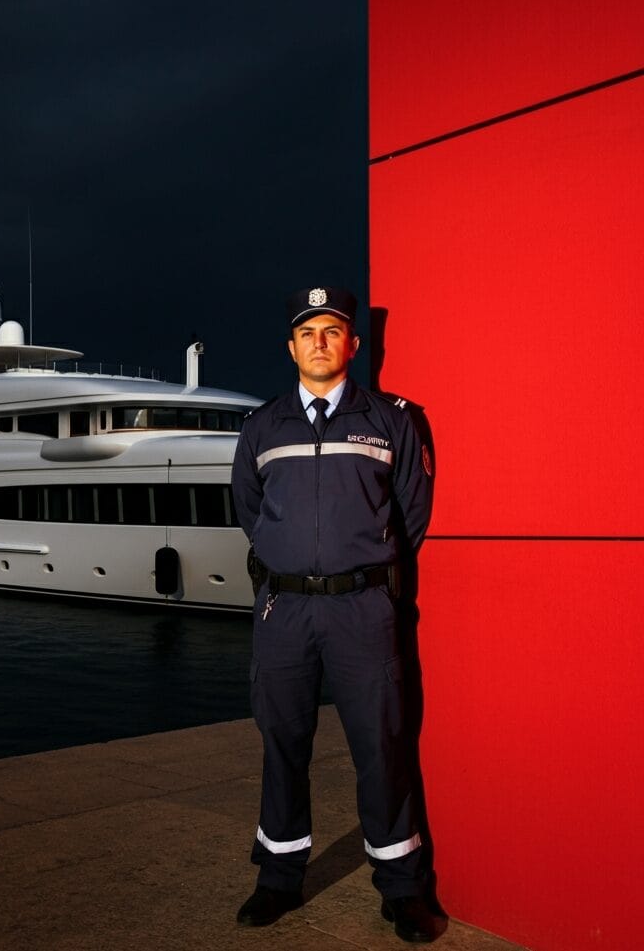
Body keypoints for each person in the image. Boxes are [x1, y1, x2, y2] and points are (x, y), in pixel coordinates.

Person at [231, 286, 442, 943]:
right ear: (290, 346)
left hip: (362, 610)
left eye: (333, 330)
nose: (320, 341)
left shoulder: (390, 420)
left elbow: (411, 516)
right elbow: (249, 511)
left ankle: (402, 887)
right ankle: (279, 877)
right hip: (285, 610)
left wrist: (370, 581)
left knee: (382, 747)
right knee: (282, 745)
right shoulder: (261, 427)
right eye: (307, 331)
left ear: (353, 344)